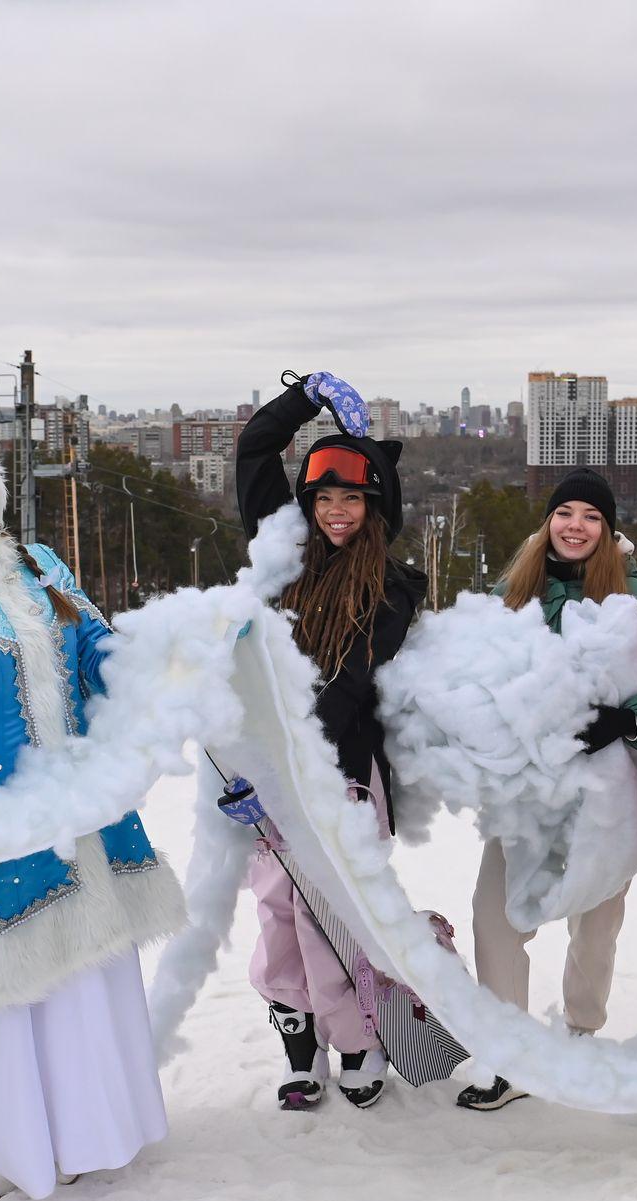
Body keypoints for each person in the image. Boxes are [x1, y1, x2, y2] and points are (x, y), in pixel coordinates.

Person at [0, 420, 186, 1199]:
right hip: (5, 821)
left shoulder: (42, 564)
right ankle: (19, 1145)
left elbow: (93, 646)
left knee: (89, 970)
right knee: (21, 985)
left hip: (83, 803)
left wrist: (155, 677)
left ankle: (100, 1129)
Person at [457, 468, 637, 1111]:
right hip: (528, 794)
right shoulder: (513, 591)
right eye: (564, 512)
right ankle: (511, 1053)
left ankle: (580, 1031)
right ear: (548, 523)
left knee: (596, 922)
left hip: (607, 793)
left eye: (590, 516)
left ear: (608, 528)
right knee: (497, 918)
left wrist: (629, 721)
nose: (575, 525)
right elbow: (466, 667)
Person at [233, 371, 427, 1110]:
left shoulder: (394, 584)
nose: (336, 512)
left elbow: (351, 676)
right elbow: (256, 450)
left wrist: (298, 739)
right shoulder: (283, 557)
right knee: (280, 912)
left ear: (375, 506)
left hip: (342, 774)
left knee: (339, 913)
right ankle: (299, 1049)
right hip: (269, 778)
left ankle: (359, 1040)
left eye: (352, 498)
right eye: (324, 499)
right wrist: (307, 395)